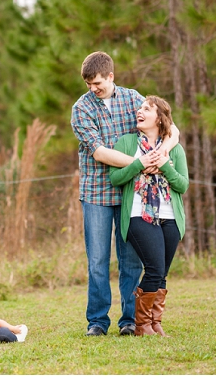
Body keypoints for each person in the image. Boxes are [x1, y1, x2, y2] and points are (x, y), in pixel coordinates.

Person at [71, 51, 179, 337]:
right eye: (88, 85)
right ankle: (97, 321)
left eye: (97, 83)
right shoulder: (81, 109)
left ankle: (129, 320)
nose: (93, 89)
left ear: (111, 76)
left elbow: (169, 126)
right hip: (96, 193)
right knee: (97, 260)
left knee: (130, 259)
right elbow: (100, 152)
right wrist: (141, 162)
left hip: (132, 193)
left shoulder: (132, 99)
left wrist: (162, 152)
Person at [109, 95, 188, 337]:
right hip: (138, 215)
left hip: (169, 217)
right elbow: (115, 179)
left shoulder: (174, 149)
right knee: (153, 268)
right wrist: (139, 163)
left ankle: (155, 323)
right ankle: (141, 325)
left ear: (160, 118)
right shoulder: (126, 143)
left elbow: (182, 185)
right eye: (139, 108)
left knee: (161, 272)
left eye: (147, 109)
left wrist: (165, 165)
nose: (139, 112)